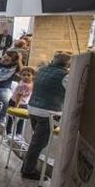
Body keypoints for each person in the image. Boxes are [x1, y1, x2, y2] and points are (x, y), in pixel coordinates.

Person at [21, 52, 70, 180]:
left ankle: (26, 165)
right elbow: (72, 92)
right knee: (38, 143)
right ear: (68, 64)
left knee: (36, 141)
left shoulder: (41, 70)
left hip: (32, 108)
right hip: (48, 111)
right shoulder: (66, 76)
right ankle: (28, 170)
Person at [6, 67, 35, 141]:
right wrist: (16, 107)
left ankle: (18, 133)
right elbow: (19, 96)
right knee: (12, 118)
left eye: (29, 75)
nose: (26, 77)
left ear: (33, 76)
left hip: (24, 103)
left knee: (21, 119)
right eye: (24, 75)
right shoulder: (23, 85)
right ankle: (9, 132)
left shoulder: (31, 83)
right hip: (15, 102)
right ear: (20, 76)